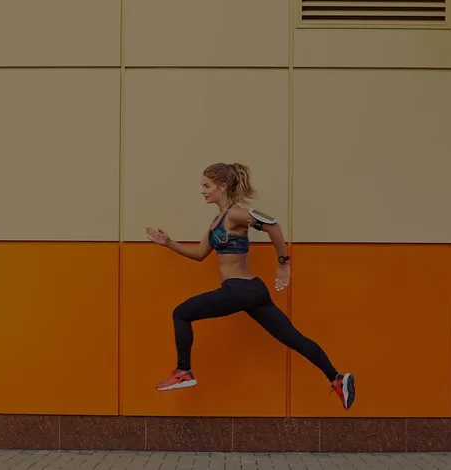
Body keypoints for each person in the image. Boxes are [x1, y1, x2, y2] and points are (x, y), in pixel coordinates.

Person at [144, 162, 356, 411]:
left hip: (239, 290)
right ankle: (337, 378)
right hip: (252, 292)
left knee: (181, 313)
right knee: (293, 338)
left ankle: (183, 371)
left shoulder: (236, 213)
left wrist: (283, 263)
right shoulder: (217, 221)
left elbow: (273, 226)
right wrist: (168, 242)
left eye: (206, 185)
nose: (202, 190)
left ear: (222, 187)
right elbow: (200, 253)